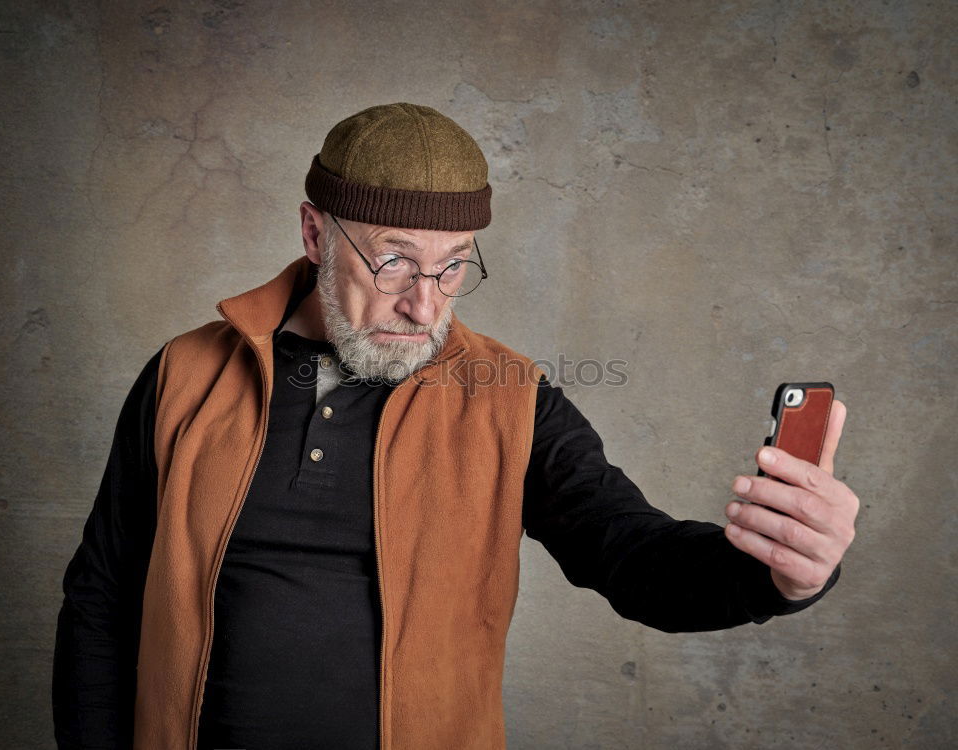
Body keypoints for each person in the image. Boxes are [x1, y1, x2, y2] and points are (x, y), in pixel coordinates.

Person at [52, 102, 858, 750]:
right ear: (314, 234)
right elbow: (102, 596)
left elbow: (632, 555)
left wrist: (778, 575)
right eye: (392, 259)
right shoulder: (185, 374)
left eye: (453, 264)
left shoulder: (510, 399)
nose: (425, 303)